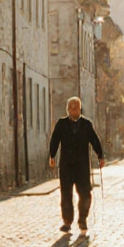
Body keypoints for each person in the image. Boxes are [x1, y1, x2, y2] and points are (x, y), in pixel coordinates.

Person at [48, 97, 105, 234]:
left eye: (76, 108)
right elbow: (55, 140)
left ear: (80, 109)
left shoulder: (86, 124)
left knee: (85, 194)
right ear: (68, 109)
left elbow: (94, 140)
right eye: (71, 108)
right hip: (66, 165)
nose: (73, 111)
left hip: (82, 165)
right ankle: (67, 221)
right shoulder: (61, 124)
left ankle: (83, 219)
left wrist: (100, 155)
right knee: (66, 194)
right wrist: (52, 155)